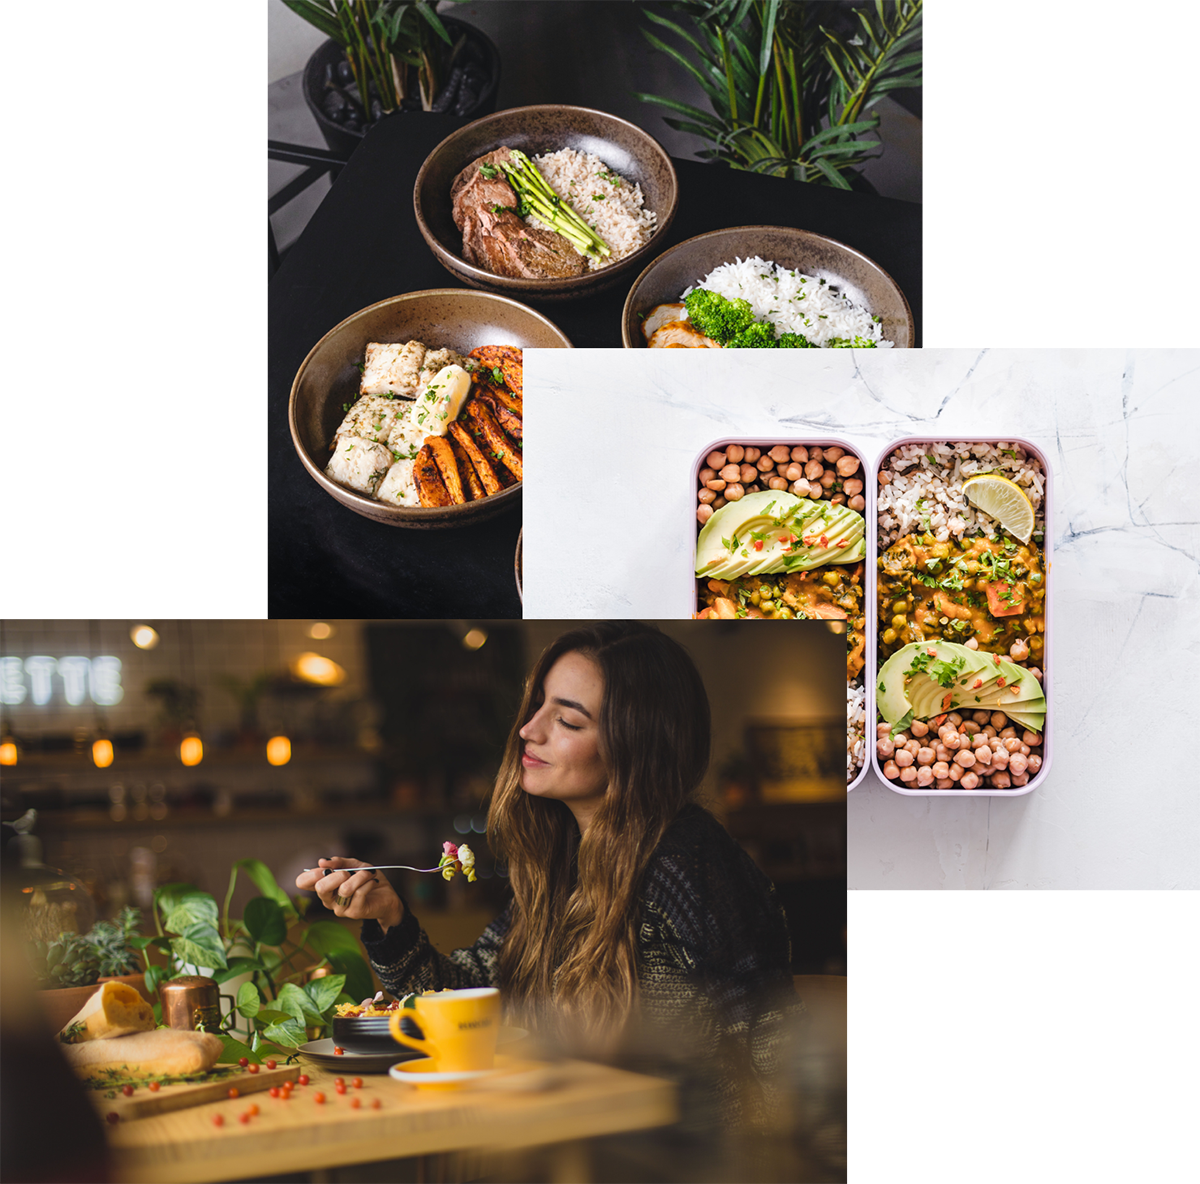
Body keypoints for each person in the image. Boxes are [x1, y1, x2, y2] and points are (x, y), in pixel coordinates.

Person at [296, 622, 800, 1125]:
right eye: (538, 705)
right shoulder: (565, 862)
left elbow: (773, 1045)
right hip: (577, 1141)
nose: (528, 730)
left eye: (569, 722)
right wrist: (390, 917)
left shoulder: (686, 862)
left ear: (637, 746)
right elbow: (473, 996)